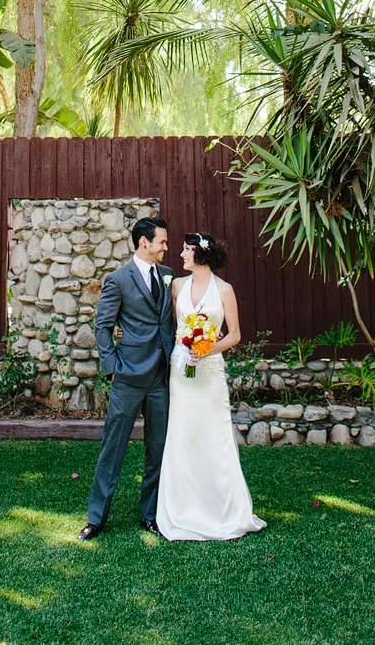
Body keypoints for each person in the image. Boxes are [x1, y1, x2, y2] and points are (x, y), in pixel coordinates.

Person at [157, 231, 267, 541]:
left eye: (186, 251)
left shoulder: (225, 290)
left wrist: (207, 349)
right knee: (183, 436)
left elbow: (234, 335)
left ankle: (224, 510)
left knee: (214, 437)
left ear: (202, 255)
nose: (181, 255)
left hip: (210, 373)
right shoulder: (177, 286)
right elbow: (166, 325)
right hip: (181, 374)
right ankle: (180, 509)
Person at [81, 216, 175, 539]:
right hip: (128, 376)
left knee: (158, 448)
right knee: (114, 447)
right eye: (161, 241)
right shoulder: (118, 280)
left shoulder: (168, 276)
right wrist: (112, 368)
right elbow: (102, 327)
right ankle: (96, 519)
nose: (166, 246)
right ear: (144, 242)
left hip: (161, 378)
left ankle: (150, 514)